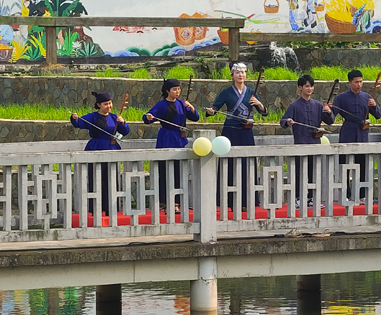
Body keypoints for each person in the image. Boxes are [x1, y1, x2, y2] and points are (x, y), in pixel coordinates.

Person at [206, 62, 268, 210]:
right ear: (232, 75)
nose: (241, 75)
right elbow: (214, 108)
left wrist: (258, 104)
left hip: (246, 131)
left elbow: (264, 112)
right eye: (238, 72)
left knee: (248, 165)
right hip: (231, 132)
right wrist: (211, 111)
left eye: (243, 72)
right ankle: (228, 201)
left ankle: (247, 201)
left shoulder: (251, 92)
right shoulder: (226, 92)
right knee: (230, 165)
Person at [143, 78, 199, 212]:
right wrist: (149, 117)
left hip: (179, 138)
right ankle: (167, 202)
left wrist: (191, 108)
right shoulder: (162, 105)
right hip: (167, 138)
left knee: (178, 172)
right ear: (167, 91)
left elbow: (195, 117)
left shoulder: (181, 104)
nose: (177, 92)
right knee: (166, 171)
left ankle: (177, 203)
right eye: (174, 89)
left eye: (179, 89)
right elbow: (148, 116)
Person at [71, 91, 130, 216]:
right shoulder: (92, 117)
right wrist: (74, 118)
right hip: (96, 147)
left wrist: (123, 122)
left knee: (111, 179)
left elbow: (125, 131)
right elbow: (79, 123)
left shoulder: (114, 117)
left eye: (110, 103)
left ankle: (111, 209)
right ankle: (96, 209)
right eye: (105, 104)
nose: (108, 106)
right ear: (98, 105)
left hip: (111, 147)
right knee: (95, 178)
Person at [281, 75, 334, 208]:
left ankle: (311, 198)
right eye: (306, 86)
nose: (309, 88)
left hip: (315, 144)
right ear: (300, 88)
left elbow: (330, 121)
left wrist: (328, 112)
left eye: (311, 86)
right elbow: (283, 121)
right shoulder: (295, 106)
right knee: (300, 173)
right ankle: (298, 198)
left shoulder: (317, 105)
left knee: (312, 173)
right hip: (300, 143)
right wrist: (288, 121)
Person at [330, 69, 381, 202]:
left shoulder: (367, 97)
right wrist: (327, 110)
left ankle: (362, 195)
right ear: (349, 82)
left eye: (361, 81)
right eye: (356, 82)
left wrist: (374, 105)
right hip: (348, 131)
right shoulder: (341, 97)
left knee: (362, 165)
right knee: (344, 165)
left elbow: (378, 115)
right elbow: (331, 117)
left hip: (362, 133)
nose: (359, 84)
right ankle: (345, 195)